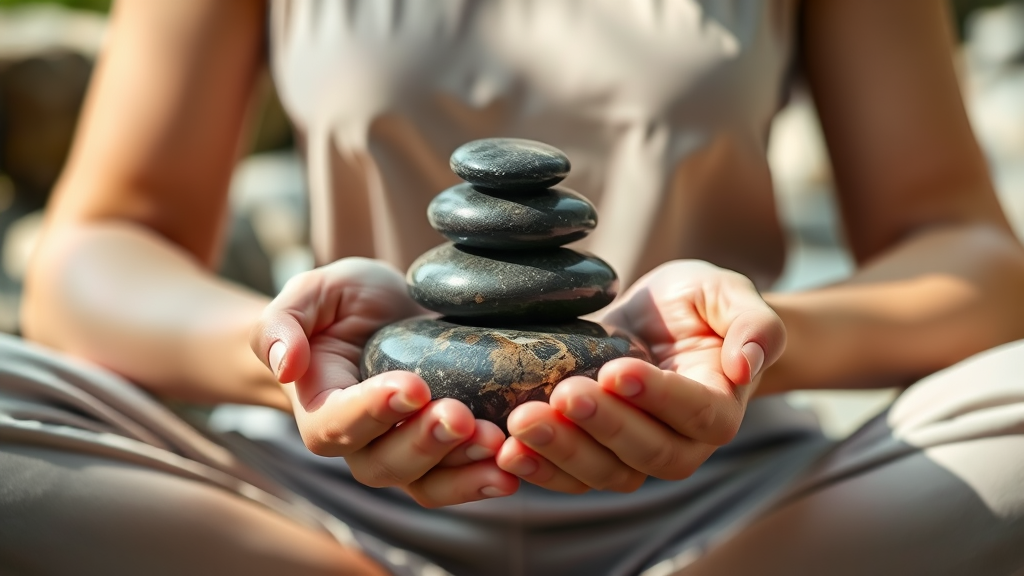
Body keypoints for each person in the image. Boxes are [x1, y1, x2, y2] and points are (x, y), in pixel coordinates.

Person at [2, 0, 1023, 574]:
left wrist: (753, 340)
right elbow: (95, 249)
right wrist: (284, 351)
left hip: (736, 511)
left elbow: (964, 254)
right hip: (321, 510)